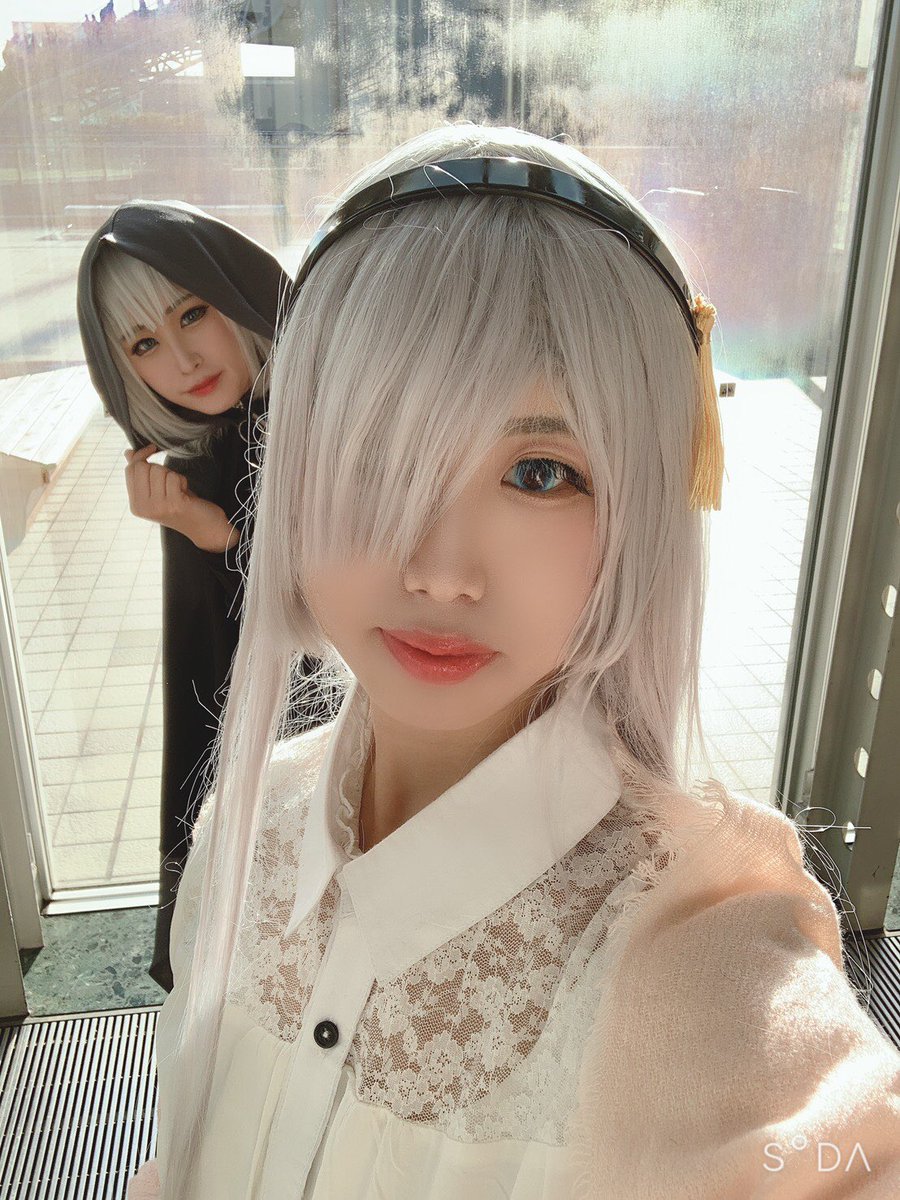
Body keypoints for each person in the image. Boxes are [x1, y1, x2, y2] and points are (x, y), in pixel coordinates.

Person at [129, 131, 900, 1199]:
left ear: (640, 508)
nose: (440, 572)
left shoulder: (699, 965)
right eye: (378, 453)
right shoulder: (244, 827)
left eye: (540, 472)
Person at [77, 201, 328, 994]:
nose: (183, 359)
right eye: (144, 344)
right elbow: (209, 664)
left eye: (192, 313)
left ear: (235, 293)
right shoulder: (194, 453)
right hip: (254, 746)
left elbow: (336, 613)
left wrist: (216, 535)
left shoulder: (317, 416)